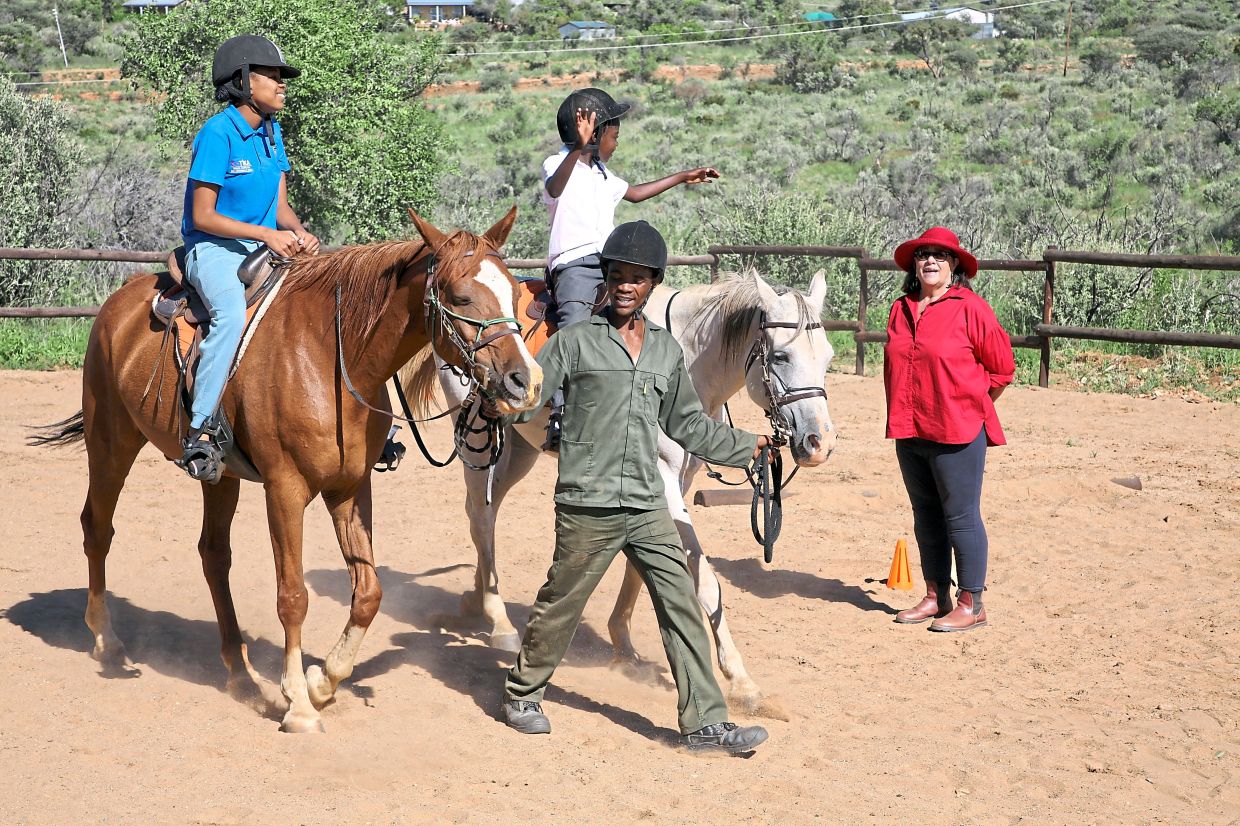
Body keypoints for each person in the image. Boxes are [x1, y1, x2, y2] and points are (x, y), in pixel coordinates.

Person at [497, 221, 773, 753]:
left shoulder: (666, 352)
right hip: (588, 501)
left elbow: (688, 424)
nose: (626, 285)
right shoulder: (573, 342)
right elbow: (530, 398)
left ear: (651, 284)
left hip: (648, 501)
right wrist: (503, 400)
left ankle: (705, 723)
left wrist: (748, 448)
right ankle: (522, 693)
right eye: (618, 276)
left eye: (638, 278)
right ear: (606, 280)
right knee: (561, 603)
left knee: (680, 604)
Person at [539, 88, 719, 449]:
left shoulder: (603, 175)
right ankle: (561, 413)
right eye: (613, 135)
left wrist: (683, 176)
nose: (616, 143)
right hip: (573, 265)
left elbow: (634, 193)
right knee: (574, 324)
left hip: (607, 265)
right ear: (591, 133)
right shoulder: (558, 164)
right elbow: (554, 189)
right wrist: (578, 147)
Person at [176, 35, 320, 483]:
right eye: (272, 77)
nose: (282, 85)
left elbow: (279, 208)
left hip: (265, 246)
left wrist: (298, 231)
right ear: (242, 81)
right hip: (213, 248)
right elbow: (203, 215)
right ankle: (200, 429)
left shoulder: (271, 132)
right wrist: (266, 234)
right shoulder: (217, 134)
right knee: (231, 314)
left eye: (281, 78)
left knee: (325, 298)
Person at [883, 227, 1015, 632]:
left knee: (960, 517)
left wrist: (971, 404)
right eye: (924, 255)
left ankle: (972, 603)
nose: (931, 261)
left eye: (940, 255)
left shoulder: (971, 308)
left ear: (954, 264)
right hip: (909, 426)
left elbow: (1002, 368)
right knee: (926, 515)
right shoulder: (900, 308)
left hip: (957, 429)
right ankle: (935, 595)